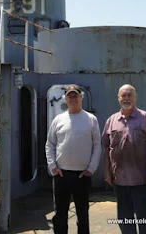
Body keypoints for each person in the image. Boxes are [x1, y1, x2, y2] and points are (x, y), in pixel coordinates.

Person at [45, 84, 101, 234]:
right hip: (61, 174)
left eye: (75, 95)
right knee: (60, 213)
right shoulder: (58, 120)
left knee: (82, 213)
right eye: (70, 96)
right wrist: (53, 167)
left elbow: (97, 145)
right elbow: (50, 144)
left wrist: (91, 169)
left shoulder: (91, 119)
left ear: (81, 97)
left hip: (82, 175)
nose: (73, 98)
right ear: (65, 99)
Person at [102, 84, 146, 234]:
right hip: (119, 180)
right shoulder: (111, 120)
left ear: (135, 97)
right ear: (118, 98)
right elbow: (107, 148)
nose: (126, 98)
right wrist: (107, 171)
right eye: (123, 95)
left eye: (129, 95)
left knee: (145, 218)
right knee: (125, 219)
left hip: (142, 179)